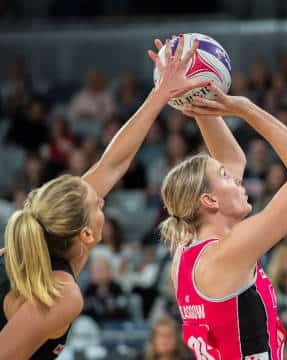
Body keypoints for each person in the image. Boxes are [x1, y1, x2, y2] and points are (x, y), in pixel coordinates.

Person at [0, 35, 203, 359]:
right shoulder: (63, 293)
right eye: (97, 204)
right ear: (86, 234)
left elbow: (113, 163)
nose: (103, 199)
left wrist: (160, 94)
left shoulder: (37, 252)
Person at [160, 45, 287, 357]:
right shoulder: (229, 252)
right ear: (209, 200)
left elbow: (229, 156)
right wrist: (245, 108)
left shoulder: (185, 251)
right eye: (226, 177)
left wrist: (192, 98)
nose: (238, 180)